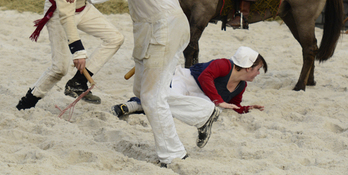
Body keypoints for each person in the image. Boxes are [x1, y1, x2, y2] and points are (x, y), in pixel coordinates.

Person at [62, 0, 220, 166]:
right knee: (143, 93)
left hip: (165, 29)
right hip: (153, 31)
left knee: (150, 97)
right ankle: (204, 113)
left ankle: (174, 154)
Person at [17, 0, 125, 110]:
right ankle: (27, 103)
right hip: (59, 13)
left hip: (83, 8)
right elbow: (66, 13)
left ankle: (77, 83)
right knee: (59, 68)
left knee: (116, 38)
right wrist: (78, 50)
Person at [113, 46, 266, 118]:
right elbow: (204, 77)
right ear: (247, 67)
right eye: (257, 69)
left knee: (188, 108)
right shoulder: (224, 65)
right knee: (167, 98)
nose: (258, 73)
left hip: (200, 97)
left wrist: (247, 108)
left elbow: (234, 107)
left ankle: (134, 107)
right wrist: (219, 101)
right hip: (185, 81)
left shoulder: (241, 86)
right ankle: (133, 105)